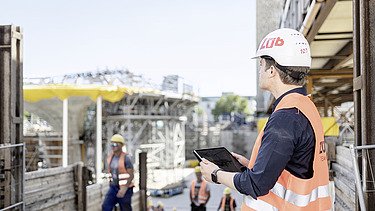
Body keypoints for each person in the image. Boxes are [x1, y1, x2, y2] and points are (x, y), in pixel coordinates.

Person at [199, 28, 331, 210]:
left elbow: (256, 185)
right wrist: (251, 166)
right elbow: (294, 167)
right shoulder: (304, 107)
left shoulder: (285, 118)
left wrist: (216, 174)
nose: (259, 71)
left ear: (271, 71)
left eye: (261, 64)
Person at [102, 134, 135, 211]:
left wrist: (124, 188)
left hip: (126, 188)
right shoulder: (110, 157)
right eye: (112, 144)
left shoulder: (126, 158)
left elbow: (131, 175)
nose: (113, 146)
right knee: (106, 206)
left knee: (125, 208)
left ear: (121, 145)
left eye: (116, 144)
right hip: (113, 187)